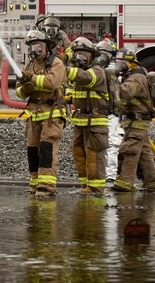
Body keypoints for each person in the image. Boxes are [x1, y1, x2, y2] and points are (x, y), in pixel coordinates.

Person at [15, 29, 68, 197]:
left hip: (52, 116)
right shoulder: (30, 66)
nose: (34, 49)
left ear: (47, 47)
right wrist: (24, 88)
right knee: (32, 151)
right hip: (33, 116)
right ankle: (35, 184)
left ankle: (46, 187)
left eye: (37, 45)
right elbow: (18, 93)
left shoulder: (56, 63)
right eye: (31, 46)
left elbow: (52, 83)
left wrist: (31, 79)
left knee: (47, 151)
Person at [65, 36, 110, 195]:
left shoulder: (97, 71)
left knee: (94, 154)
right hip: (81, 121)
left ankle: (96, 188)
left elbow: (87, 79)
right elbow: (73, 87)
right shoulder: (79, 72)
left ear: (92, 56)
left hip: (95, 122)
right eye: (77, 55)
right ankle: (85, 186)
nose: (80, 58)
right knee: (78, 152)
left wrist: (66, 70)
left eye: (83, 55)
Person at [112, 47, 155, 192]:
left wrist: (111, 85)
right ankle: (151, 182)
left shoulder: (137, 77)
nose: (119, 65)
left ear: (131, 62)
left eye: (122, 62)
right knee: (144, 152)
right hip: (135, 119)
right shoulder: (131, 74)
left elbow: (127, 91)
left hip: (138, 120)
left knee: (129, 149)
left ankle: (125, 182)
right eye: (117, 62)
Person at [93, 39, 124, 183]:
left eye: (104, 54)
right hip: (100, 112)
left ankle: (111, 175)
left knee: (112, 143)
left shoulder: (114, 71)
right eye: (99, 54)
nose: (101, 57)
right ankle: (102, 174)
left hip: (112, 112)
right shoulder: (96, 69)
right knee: (99, 143)